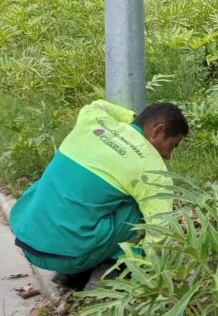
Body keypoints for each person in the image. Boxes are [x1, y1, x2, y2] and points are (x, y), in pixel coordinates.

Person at [10, 100, 189, 291]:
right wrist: (142, 265)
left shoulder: (93, 120)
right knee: (138, 210)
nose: (169, 155)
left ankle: (72, 276)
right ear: (157, 131)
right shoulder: (152, 167)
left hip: (26, 239)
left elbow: (97, 104)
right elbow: (158, 230)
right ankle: (112, 272)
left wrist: (132, 118)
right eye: (172, 145)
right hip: (70, 257)